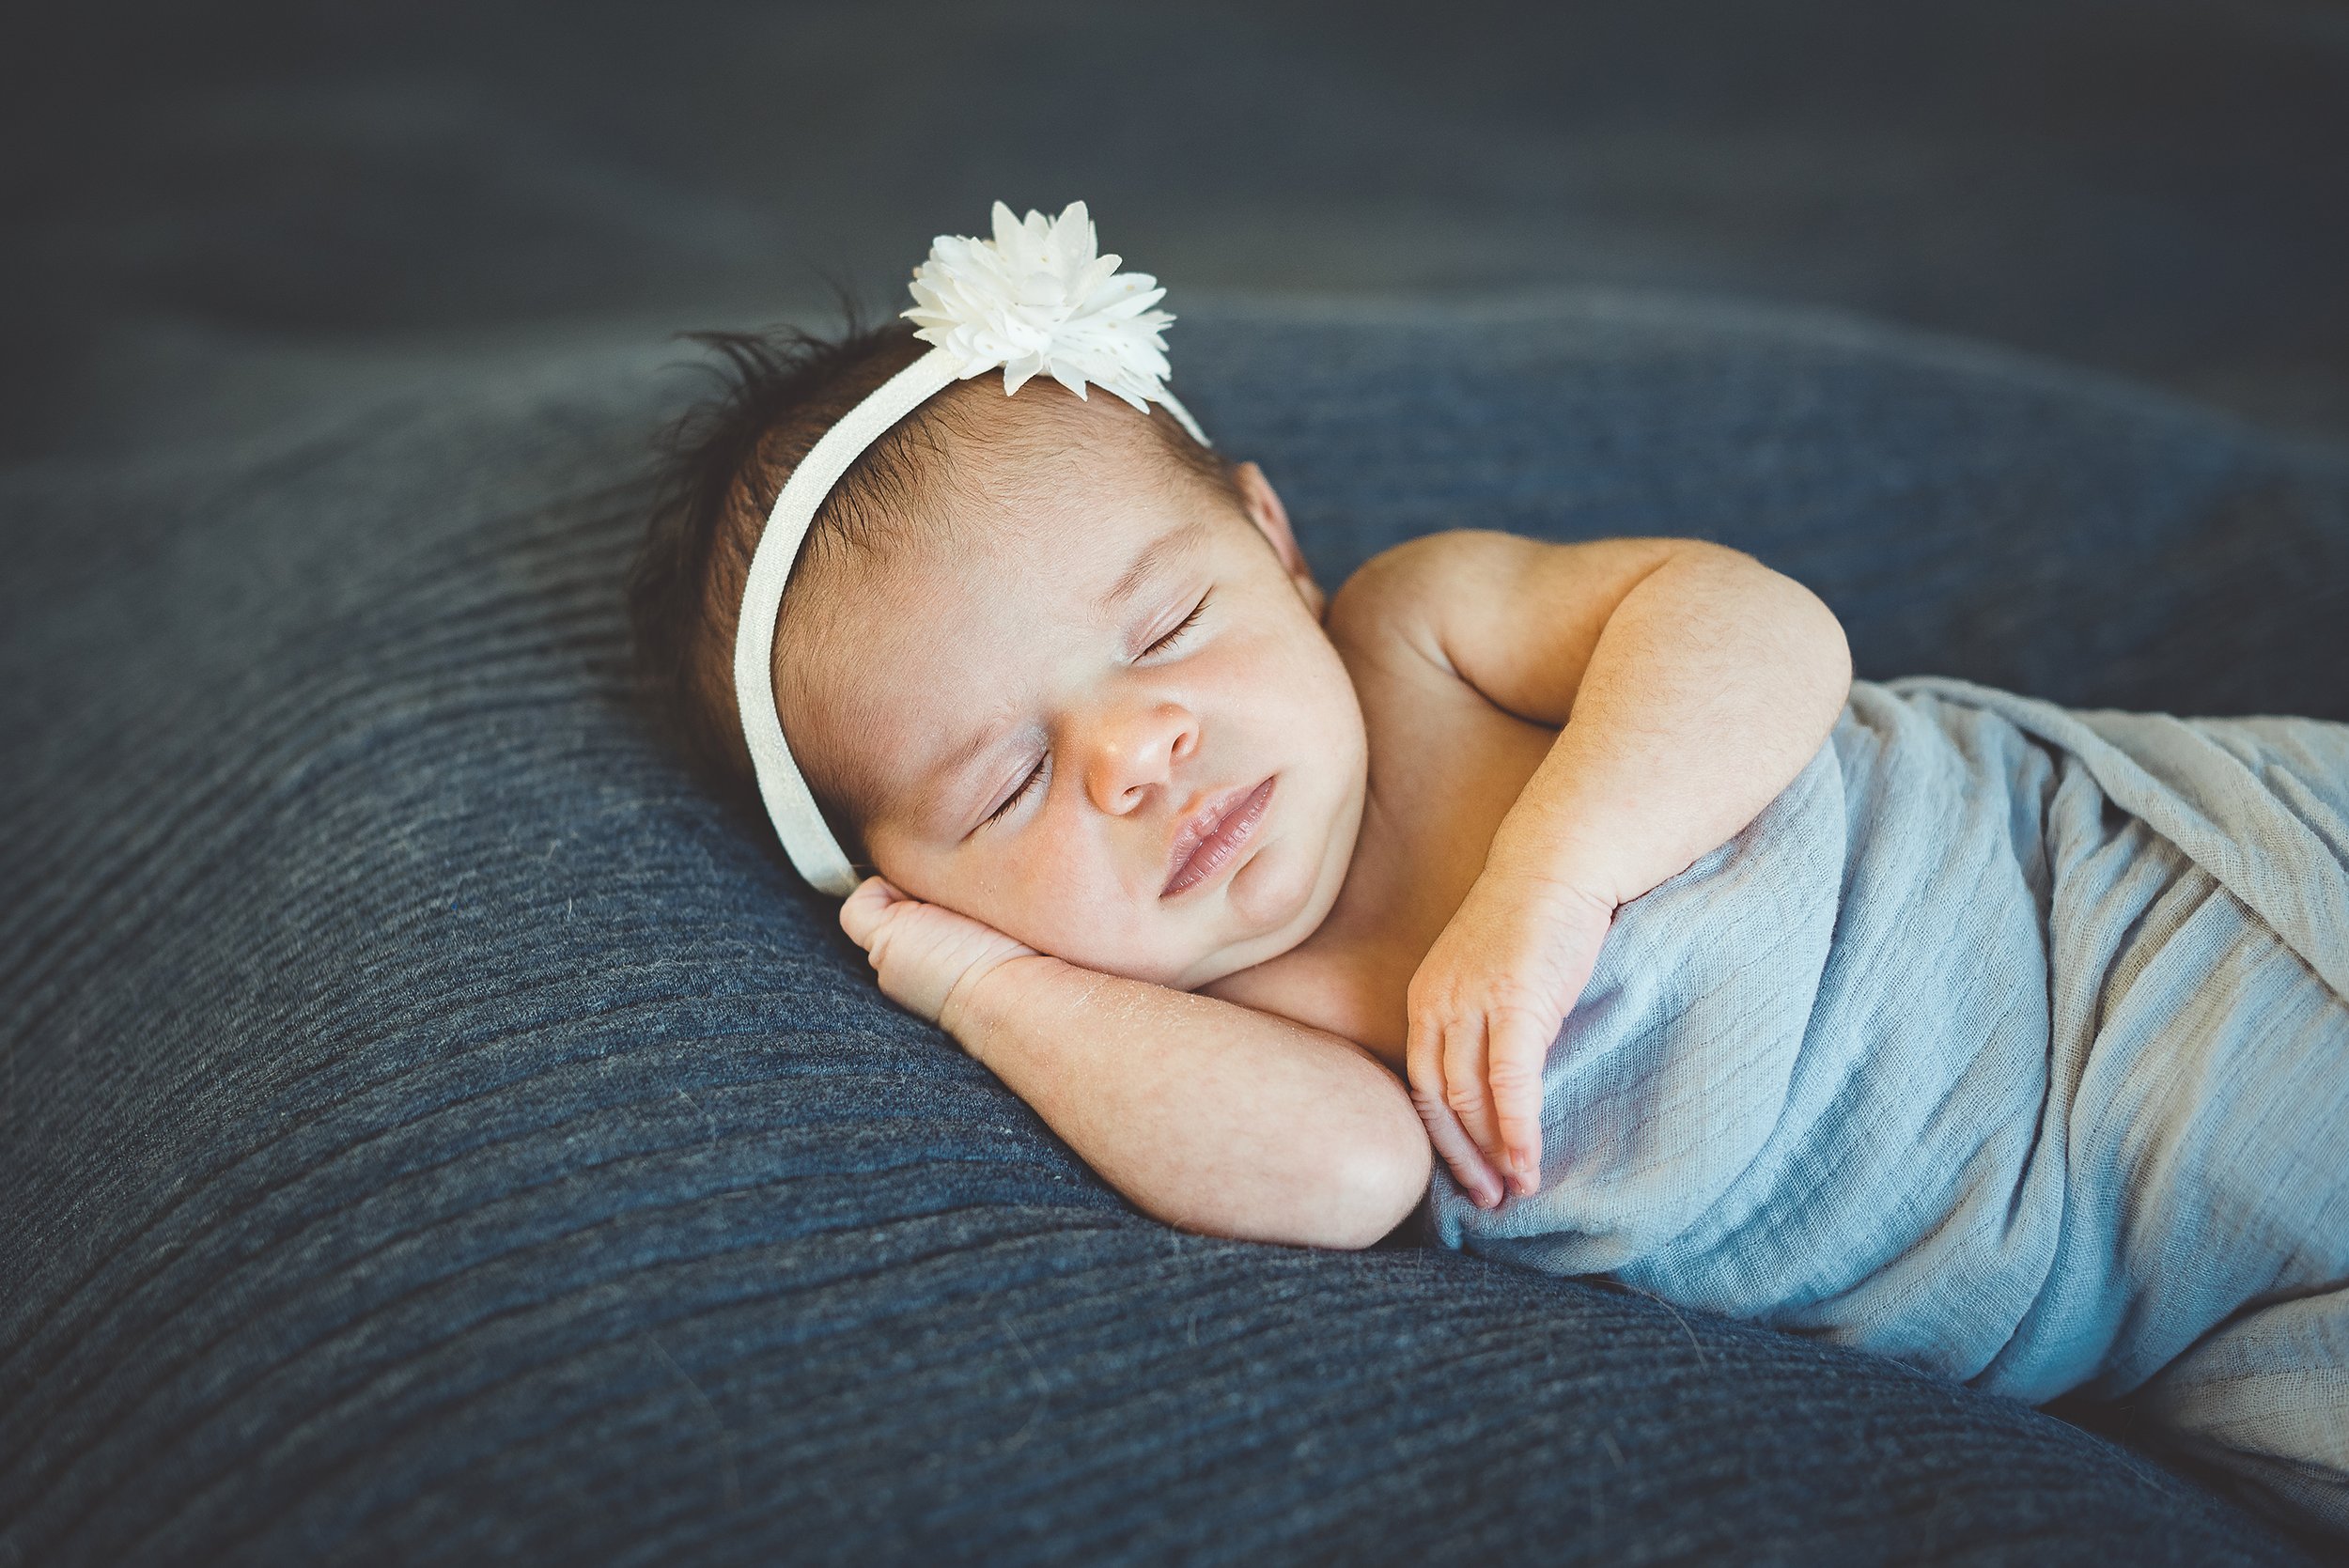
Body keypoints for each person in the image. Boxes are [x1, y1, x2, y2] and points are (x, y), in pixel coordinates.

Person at [627, 204, 2348, 1539]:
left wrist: (1557, 875)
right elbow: (1349, 1169)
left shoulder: (1421, 635)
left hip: (2136, 912)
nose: (1135, 749)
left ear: (1279, 548)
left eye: (1168, 624)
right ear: (904, 879)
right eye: (1006, 784)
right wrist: (981, 986)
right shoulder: (1216, 1012)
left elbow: (1754, 626)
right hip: (2132, 1298)